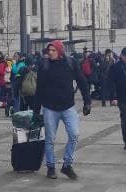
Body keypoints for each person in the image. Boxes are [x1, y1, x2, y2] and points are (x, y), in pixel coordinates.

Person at [35, 40, 91, 180]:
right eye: (49, 50)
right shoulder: (44, 65)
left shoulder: (70, 63)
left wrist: (87, 102)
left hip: (68, 107)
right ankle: (51, 167)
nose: (50, 53)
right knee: (50, 139)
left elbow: (82, 81)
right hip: (49, 108)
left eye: (53, 50)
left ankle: (67, 165)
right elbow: (39, 89)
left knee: (74, 134)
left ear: (60, 51)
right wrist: (36, 111)